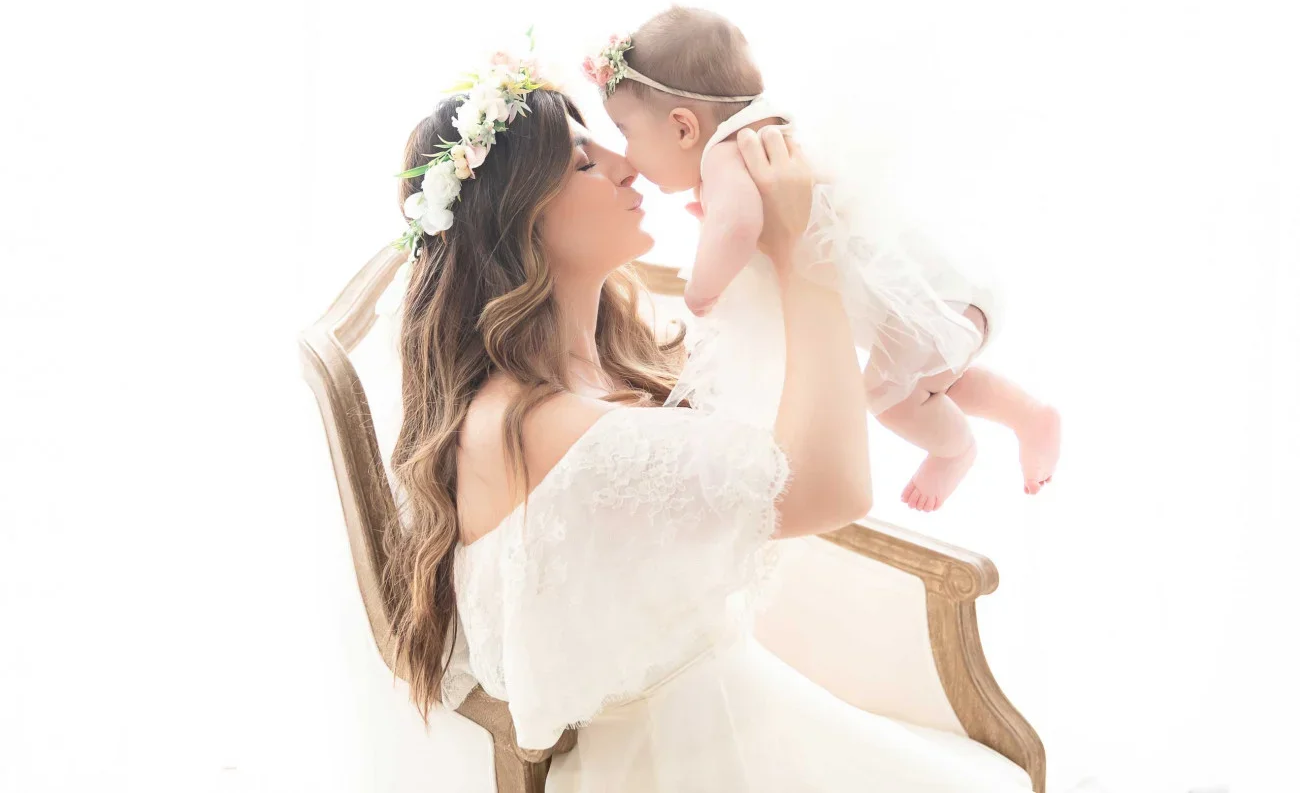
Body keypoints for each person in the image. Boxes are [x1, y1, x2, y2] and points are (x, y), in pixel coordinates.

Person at [380, 51, 1027, 791]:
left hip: (730, 705)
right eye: (584, 164)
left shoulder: (597, 367)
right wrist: (802, 249)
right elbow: (835, 487)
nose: (627, 165)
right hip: (677, 758)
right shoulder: (531, 424)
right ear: (522, 223)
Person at [584, 7, 1061, 511]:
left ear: (683, 128)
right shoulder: (767, 133)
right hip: (942, 292)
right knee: (934, 380)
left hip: (924, 302)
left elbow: (738, 226)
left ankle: (956, 451)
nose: (627, 157)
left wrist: (702, 288)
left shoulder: (726, 154)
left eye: (625, 132)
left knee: (890, 399)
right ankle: (1028, 415)